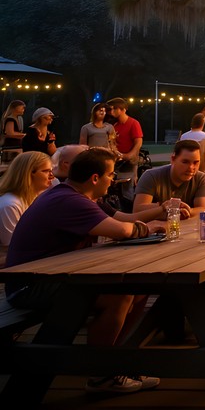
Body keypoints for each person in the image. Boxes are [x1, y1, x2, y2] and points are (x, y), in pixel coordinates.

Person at [5, 147, 162, 394]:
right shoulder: (69, 200)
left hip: (50, 277)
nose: (113, 180)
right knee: (118, 295)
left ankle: (115, 363)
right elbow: (122, 230)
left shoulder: (74, 196)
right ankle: (101, 375)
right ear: (95, 178)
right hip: (28, 286)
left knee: (139, 289)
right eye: (110, 175)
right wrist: (147, 228)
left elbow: (119, 222)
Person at [131, 139, 205, 216]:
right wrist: (164, 207)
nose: (191, 167)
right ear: (173, 159)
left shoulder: (201, 178)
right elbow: (137, 210)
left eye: (195, 163)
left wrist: (189, 211)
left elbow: (204, 209)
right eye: (185, 162)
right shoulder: (151, 176)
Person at [0, 151, 53, 257]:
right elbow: (11, 245)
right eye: (46, 171)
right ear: (28, 173)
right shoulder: (9, 205)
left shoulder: (38, 198)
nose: (52, 176)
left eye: (51, 171)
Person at [108, 97, 143, 179]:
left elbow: (138, 142)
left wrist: (129, 155)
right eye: (110, 109)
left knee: (127, 184)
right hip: (116, 161)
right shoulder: (114, 125)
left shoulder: (133, 123)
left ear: (123, 110)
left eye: (115, 109)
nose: (111, 112)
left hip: (129, 162)